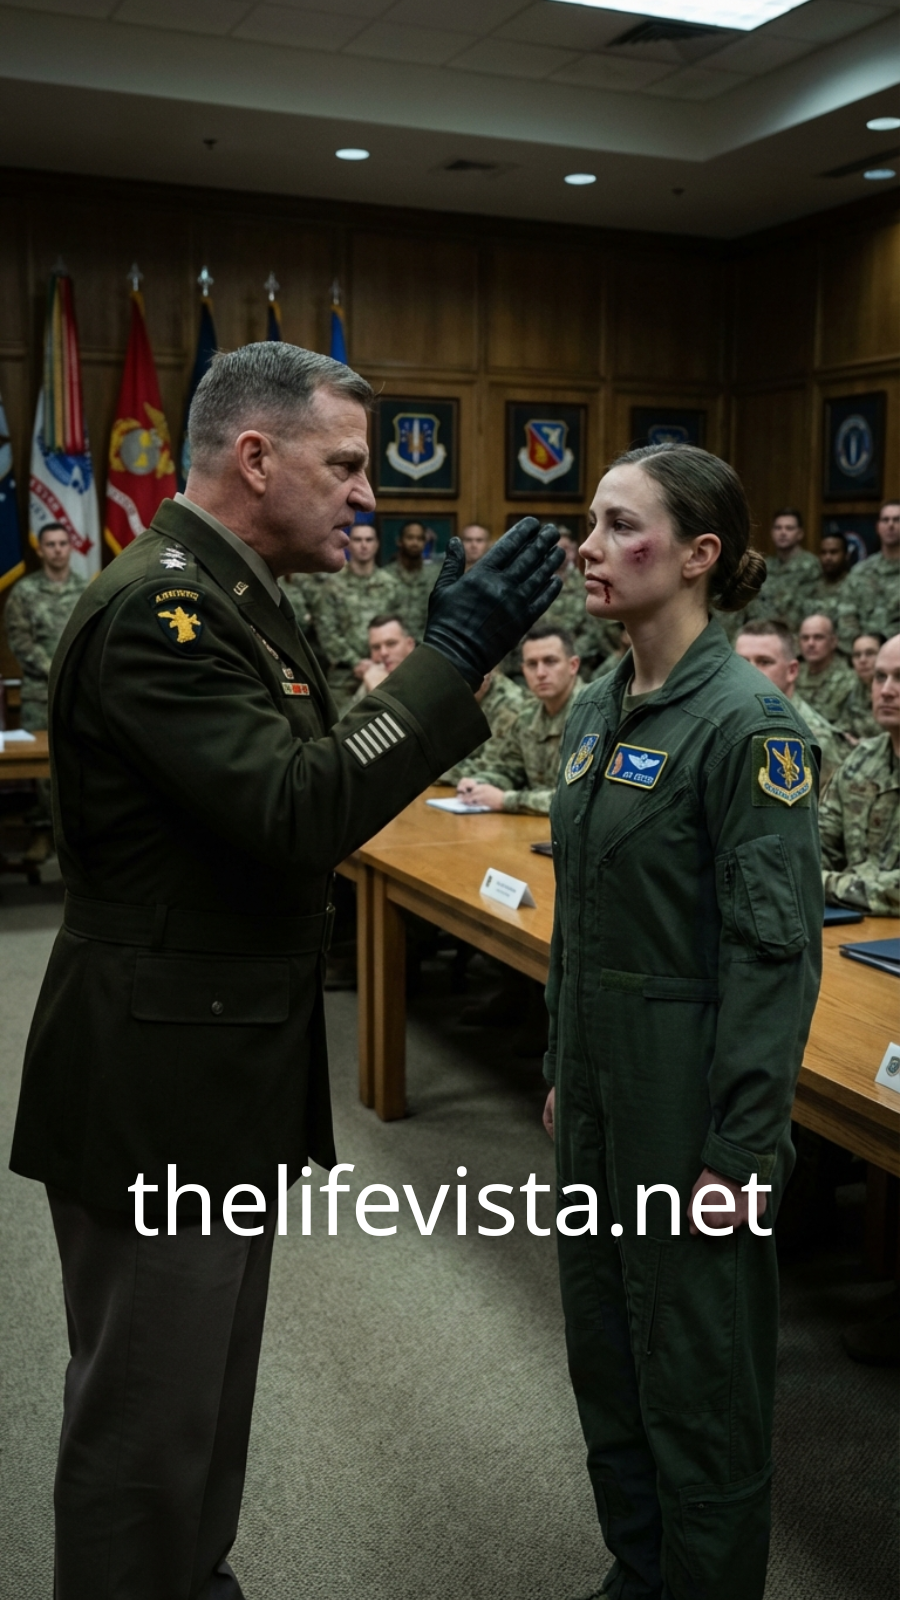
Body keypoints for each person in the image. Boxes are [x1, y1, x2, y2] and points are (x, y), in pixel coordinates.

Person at [8, 340, 563, 1600]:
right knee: (146, 1424)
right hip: (157, 1080)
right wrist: (449, 655)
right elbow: (301, 808)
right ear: (256, 458)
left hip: (211, 1061)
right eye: (346, 464)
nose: (367, 495)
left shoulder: (232, 593)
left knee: (198, 1402)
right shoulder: (164, 612)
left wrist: (440, 663)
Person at [542, 443, 822, 1600]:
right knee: (607, 1353)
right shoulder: (596, 703)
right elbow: (580, 912)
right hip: (598, 1091)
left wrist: (743, 1149)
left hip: (687, 1102)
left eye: (622, 525)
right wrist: (560, 1064)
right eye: (591, 523)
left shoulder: (751, 725)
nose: (591, 547)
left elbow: (772, 957)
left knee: (698, 1377)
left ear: (700, 554)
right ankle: (640, 1569)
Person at [2, 520, 86, 863]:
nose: (57, 550)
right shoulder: (25, 592)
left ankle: (76, 835)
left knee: (79, 761)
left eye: (63, 543)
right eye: (50, 544)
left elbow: (91, 638)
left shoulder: (86, 590)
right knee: (42, 769)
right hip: (40, 693)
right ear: (40, 550)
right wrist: (57, 669)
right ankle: (42, 831)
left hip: (79, 693)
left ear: (71, 547)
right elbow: (20, 642)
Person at [456, 625, 583, 815]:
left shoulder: (594, 714)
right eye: (532, 664)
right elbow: (510, 770)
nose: (540, 673)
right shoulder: (527, 715)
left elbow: (577, 800)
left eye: (550, 661)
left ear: (573, 665)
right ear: (523, 670)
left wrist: (506, 800)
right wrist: (479, 783)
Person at [819, 634, 899, 916]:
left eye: (899, 677)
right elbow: (814, 849)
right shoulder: (861, 760)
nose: (886, 691)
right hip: (856, 929)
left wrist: (823, 883)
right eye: (880, 677)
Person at [734, 619, 847, 785]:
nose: (750, 671)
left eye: (764, 662)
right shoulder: (722, 723)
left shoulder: (813, 739)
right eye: (741, 662)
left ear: (792, 671)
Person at [311, 519, 396, 713]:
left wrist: (379, 662)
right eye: (358, 540)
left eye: (369, 540)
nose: (364, 545)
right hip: (344, 678)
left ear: (376, 544)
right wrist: (356, 662)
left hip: (385, 672)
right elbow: (327, 632)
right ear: (349, 544)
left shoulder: (391, 584)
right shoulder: (332, 586)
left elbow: (398, 628)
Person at [836, 499, 900, 652]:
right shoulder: (860, 571)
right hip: (862, 655)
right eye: (885, 520)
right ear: (878, 527)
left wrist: (885, 645)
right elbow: (846, 617)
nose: (890, 525)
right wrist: (862, 649)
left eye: (897, 520)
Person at [795, 612, 856, 723]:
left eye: (818, 637)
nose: (810, 643)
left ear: (833, 642)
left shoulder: (850, 681)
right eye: (805, 638)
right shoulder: (791, 675)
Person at [346, 610, 416, 705]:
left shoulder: (427, 677)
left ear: (410, 644)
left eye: (391, 644)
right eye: (376, 647)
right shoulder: (371, 677)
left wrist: (379, 692)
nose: (383, 653)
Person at [383, 518, 439, 637]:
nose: (415, 543)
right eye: (410, 538)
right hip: (393, 642)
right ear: (399, 541)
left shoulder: (435, 577)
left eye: (420, 538)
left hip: (426, 643)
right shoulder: (385, 576)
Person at [836, 631, 885, 743]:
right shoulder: (853, 689)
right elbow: (843, 726)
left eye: (870, 653)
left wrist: (863, 744)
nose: (862, 660)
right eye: (857, 655)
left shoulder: (894, 690)